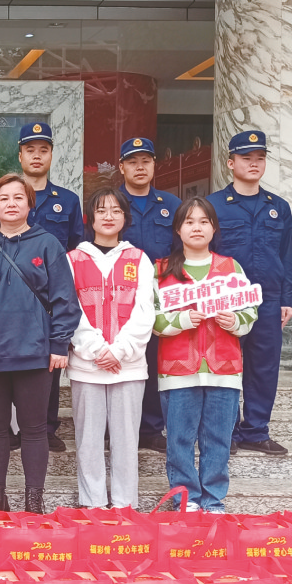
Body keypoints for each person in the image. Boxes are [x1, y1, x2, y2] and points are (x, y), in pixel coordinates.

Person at [0, 175, 82, 514]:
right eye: (3, 198)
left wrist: (59, 344)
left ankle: (33, 499)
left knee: (33, 429)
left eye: (18, 197)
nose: (11, 203)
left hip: (35, 352)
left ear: (30, 204)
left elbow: (65, 301)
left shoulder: (48, 244)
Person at [154, 197, 257, 514]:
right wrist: (182, 320)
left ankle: (213, 500)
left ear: (214, 227)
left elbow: (249, 312)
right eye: (189, 222)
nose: (196, 227)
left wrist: (236, 321)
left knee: (217, 440)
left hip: (223, 369)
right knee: (179, 442)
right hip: (177, 370)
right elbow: (152, 318)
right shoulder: (161, 270)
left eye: (203, 221)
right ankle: (186, 499)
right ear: (178, 229)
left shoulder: (230, 268)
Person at [0, 121, 84, 453]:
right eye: (30, 149)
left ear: (51, 155)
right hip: (10, 297)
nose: (36, 155)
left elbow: (76, 249)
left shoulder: (68, 201)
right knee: (13, 363)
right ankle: (15, 429)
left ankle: (46, 427)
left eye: (43, 150)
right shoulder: (6, 197)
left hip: (49, 297)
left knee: (50, 364)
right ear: (20, 155)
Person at [207, 130, 292, 456]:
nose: (254, 163)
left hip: (269, 299)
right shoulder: (214, 205)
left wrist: (288, 297)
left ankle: (256, 431)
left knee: (264, 367)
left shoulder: (279, 207)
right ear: (231, 163)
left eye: (260, 158)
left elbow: (286, 254)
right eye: (247, 158)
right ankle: (226, 432)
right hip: (228, 299)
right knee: (226, 366)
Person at [66, 187, 156, 510]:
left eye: (115, 211)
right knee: (88, 442)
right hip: (86, 367)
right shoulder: (73, 260)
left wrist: (118, 351)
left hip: (128, 367)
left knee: (126, 442)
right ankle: (92, 505)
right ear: (90, 218)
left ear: (124, 218)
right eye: (101, 210)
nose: (108, 216)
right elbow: (69, 309)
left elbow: (146, 312)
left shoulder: (139, 259)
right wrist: (95, 350)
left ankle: (123, 505)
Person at [116, 137, 181, 454]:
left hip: (160, 296)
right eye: (132, 161)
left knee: (154, 361)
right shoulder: (109, 204)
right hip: (117, 297)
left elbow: (182, 252)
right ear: (121, 167)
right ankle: (116, 425)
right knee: (119, 358)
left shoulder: (172, 205)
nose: (139, 167)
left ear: (155, 165)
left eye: (146, 161)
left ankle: (152, 427)